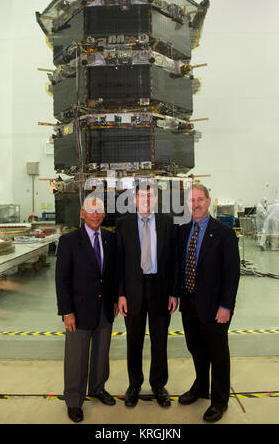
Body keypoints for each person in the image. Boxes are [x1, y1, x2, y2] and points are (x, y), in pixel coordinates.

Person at [177, 183, 240, 423]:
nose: (196, 204)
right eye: (192, 201)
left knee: (218, 354)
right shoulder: (184, 232)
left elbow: (231, 274)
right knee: (196, 349)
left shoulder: (224, 233)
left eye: (199, 200)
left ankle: (219, 400)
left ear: (209, 201)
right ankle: (201, 387)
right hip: (190, 304)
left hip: (215, 308)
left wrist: (226, 306)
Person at [55, 196, 118, 423]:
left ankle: (98, 388)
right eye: (91, 211)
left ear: (104, 214)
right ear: (82, 214)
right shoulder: (69, 241)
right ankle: (74, 400)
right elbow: (61, 280)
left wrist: (114, 300)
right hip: (78, 311)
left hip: (105, 309)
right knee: (76, 358)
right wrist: (67, 311)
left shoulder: (111, 239)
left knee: (102, 354)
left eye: (99, 210)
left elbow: (113, 274)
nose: (95, 214)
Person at [116, 181, 178, 408]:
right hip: (132, 291)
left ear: (156, 200)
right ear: (134, 199)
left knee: (159, 341)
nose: (146, 200)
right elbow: (119, 263)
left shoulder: (166, 223)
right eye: (142, 196)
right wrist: (121, 294)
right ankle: (134, 384)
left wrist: (173, 292)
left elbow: (173, 261)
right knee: (134, 341)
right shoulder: (123, 225)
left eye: (150, 196)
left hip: (160, 290)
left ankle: (159, 385)